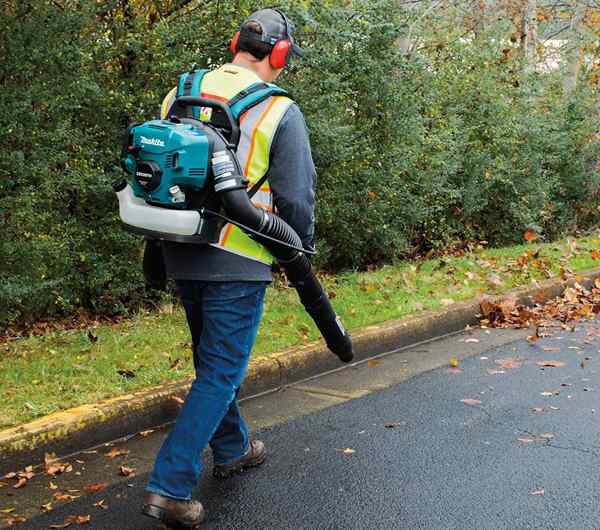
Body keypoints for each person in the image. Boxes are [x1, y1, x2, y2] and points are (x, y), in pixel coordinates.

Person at [142, 8, 316, 529]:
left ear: (236, 42)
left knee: (212, 361)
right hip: (239, 256)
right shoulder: (279, 110)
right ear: (280, 55)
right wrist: (298, 251)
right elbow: (296, 197)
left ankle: (235, 447)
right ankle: (170, 486)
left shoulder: (182, 92)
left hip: (180, 247)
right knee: (221, 369)